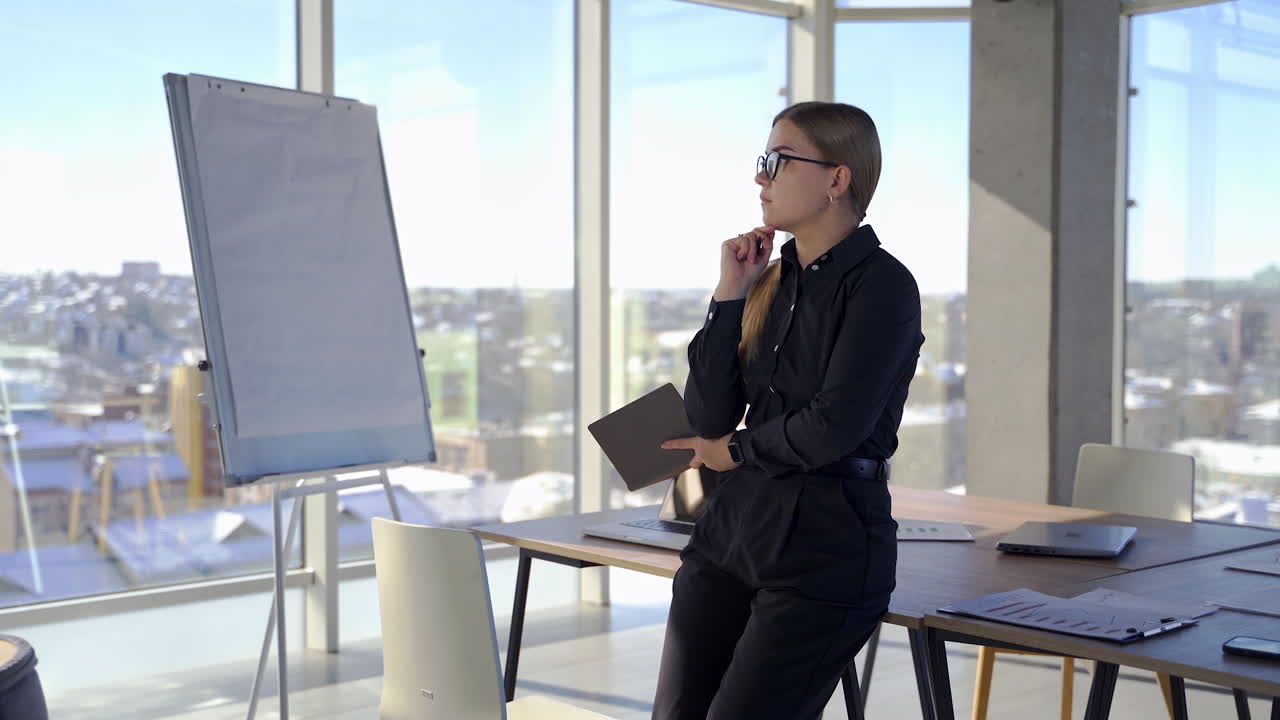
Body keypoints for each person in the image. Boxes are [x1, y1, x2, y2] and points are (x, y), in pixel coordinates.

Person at [653, 101, 925, 719]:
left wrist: (736, 452)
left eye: (778, 161)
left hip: (825, 550)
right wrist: (729, 296)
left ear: (837, 179)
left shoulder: (883, 286)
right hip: (731, 532)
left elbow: (834, 427)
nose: (761, 178)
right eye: (761, 162)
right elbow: (708, 417)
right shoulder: (770, 281)